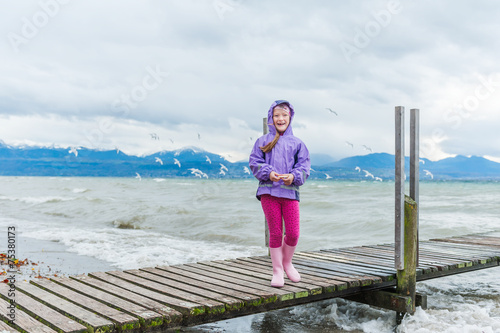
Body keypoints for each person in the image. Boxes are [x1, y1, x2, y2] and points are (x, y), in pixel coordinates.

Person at [249, 100, 310, 287]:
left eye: (284, 115)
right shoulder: (262, 141)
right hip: (268, 192)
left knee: (293, 233)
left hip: (290, 193)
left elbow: (304, 166)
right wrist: (269, 173)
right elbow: (254, 162)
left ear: (290, 117)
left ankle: (287, 263)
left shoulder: (298, 143)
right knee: (275, 233)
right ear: (271, 118)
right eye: (276, 115)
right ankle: (277, 270)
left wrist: (293, 176)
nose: (280, 119)